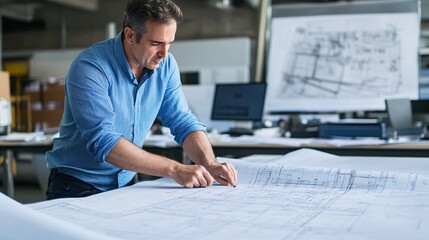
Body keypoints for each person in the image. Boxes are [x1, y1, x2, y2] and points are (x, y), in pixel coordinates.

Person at [45, 0, 237, 200]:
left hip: (126, 183)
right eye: (155, 44)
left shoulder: (166, 65)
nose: (164, 53)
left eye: (169, 43)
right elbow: (103, 141)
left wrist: (210, 163)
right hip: (77, 186)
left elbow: (183, 121)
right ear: (129, 35)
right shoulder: (90, 67)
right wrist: (175, 169)